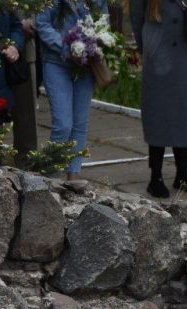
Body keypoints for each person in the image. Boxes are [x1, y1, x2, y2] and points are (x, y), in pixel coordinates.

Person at [130, 0, 187, 198]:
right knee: (159, 114)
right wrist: (148, 46)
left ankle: (182, 174)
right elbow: (136, 16)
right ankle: (156, 177)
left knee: (184, 111)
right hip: (160, 52)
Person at [36, 0, 108, 181]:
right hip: (56, 61)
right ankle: (51, 176)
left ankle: (73, 174)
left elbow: (104, 21)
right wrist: (66, 47)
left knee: (79, 123)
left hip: (87, 63)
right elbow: (42, 23)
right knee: (62, 124)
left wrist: (96, 44)